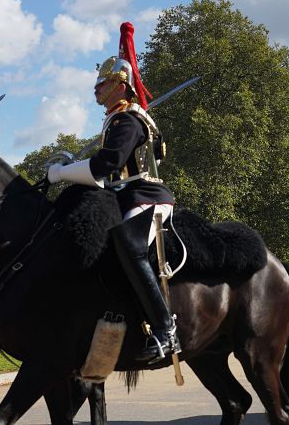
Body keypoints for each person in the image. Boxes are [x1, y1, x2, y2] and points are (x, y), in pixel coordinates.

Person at [46, 22, 179, 364]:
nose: (97, 88)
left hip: (146, 197)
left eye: (103, 83)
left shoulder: (129, 121)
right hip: (123, 197)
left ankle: (166, 330)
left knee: (130, 247)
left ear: (122, 86)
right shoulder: (118, 120)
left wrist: (61, 173)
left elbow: (107, 165)